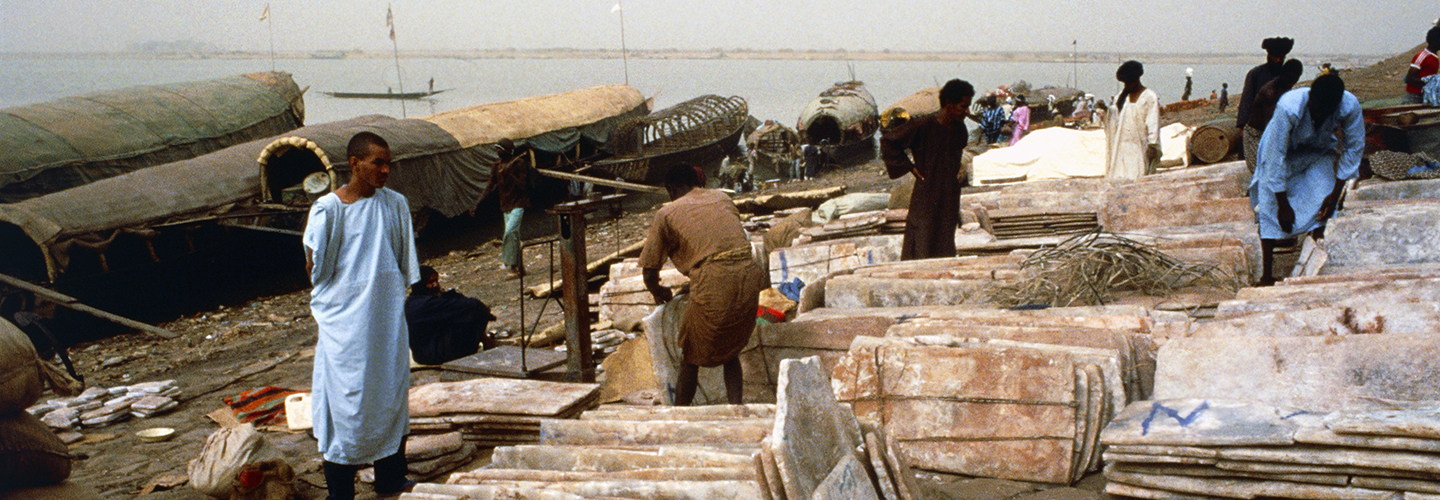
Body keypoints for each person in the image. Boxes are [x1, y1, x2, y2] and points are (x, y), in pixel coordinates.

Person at [303, 131, 420, 500]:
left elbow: (402, 261)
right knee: (347, 401)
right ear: (354, 164)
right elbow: (314, 270)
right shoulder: (328, 210)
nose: (386, 170)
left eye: (389, 163)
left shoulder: (395, 204)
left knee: (389, 392)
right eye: (377, 163)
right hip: (346, 327)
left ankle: (390, 479)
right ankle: (341, 490)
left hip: (385, 320)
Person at [640, 164, 767, 406]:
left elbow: (649, 270)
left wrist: (658, 291)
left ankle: (680, 415)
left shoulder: (667, 213)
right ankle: (735, 407)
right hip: (749, 273)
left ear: (672, 188)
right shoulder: (722, 197)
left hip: (716, 279)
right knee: (731, 351)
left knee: (691, 354)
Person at [1250, 73, 1363, 286]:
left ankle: (1314, 261)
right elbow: (1275, 157)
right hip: (1282, 149)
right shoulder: (1289, 107)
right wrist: (1283, 204)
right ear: (1310, 98)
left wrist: (1335, 194)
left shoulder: (1349, 106)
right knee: (1269, 204)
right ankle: (1267, 275)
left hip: (1317, 149)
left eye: (1324, 113)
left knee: (1323, 197)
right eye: (1316, 110)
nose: (1319, 116)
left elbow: (1353, 148)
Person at [881, 78, 974, 260]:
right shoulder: (922, 126)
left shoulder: (960, 129)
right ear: (949, 104)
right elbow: (889, 141)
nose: (966, 111)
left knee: (945, 237)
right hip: (927, 191)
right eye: (963, 106)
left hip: (949, 194)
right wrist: (910, 167)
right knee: (922, 236)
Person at [405, 265, 498, 366]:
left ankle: (485, 340)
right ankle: (483, 342)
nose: (435, 285)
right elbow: (470, 304)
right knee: (473, 312)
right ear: (420, 284)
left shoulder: (413, 300)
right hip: (431, 354)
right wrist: (484, 312)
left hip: (425, 352)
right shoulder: (423, 304)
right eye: (430, 282)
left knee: (464, 312)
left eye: (436, 280)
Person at [1242, 59, 1304, 173]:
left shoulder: (1285, 88)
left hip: (1268, 135)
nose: (1292, 83)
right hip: (1255, 136)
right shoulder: (1271, 92)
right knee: (1262, 175)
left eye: (1294, 80)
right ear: (1283, 74)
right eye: (1290, 79)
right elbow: (1270, 126)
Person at [1104, 61, 1161, 179]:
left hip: (1140, 146)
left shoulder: (1149, 97)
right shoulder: (1121, 97)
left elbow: (1153, 122)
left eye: (1129, 82)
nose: (1127, 85)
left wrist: (1152, 145)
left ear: (1137, 79)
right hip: (1121, 146)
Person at [492, 139, 533, 279]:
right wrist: (477, 203)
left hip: (519, 203)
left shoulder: (519, 163)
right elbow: (489, 185)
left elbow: (522, 185)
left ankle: (510, 266)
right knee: (514, 237)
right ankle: (520, 269)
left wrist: (508, 174)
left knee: (509, 232)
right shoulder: (496, 166)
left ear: (507, 151)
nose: (497, 152)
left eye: (500, 149)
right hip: (506, 205)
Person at [1237, 37, 1295, 129]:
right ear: (1269, 55)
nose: (1278, 60)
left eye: (1281, 57)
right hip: (1258, 125)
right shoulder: (1256, 73)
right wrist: (1242, 125)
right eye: (1275, 57)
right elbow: (1246, 101)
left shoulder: (1287, 75)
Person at [1404, 25, 1440, 104]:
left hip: (1426, 95)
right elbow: (1409, 78)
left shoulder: (1434, 56)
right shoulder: (1423, 56)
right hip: (1415, 96)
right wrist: (1431, 83)